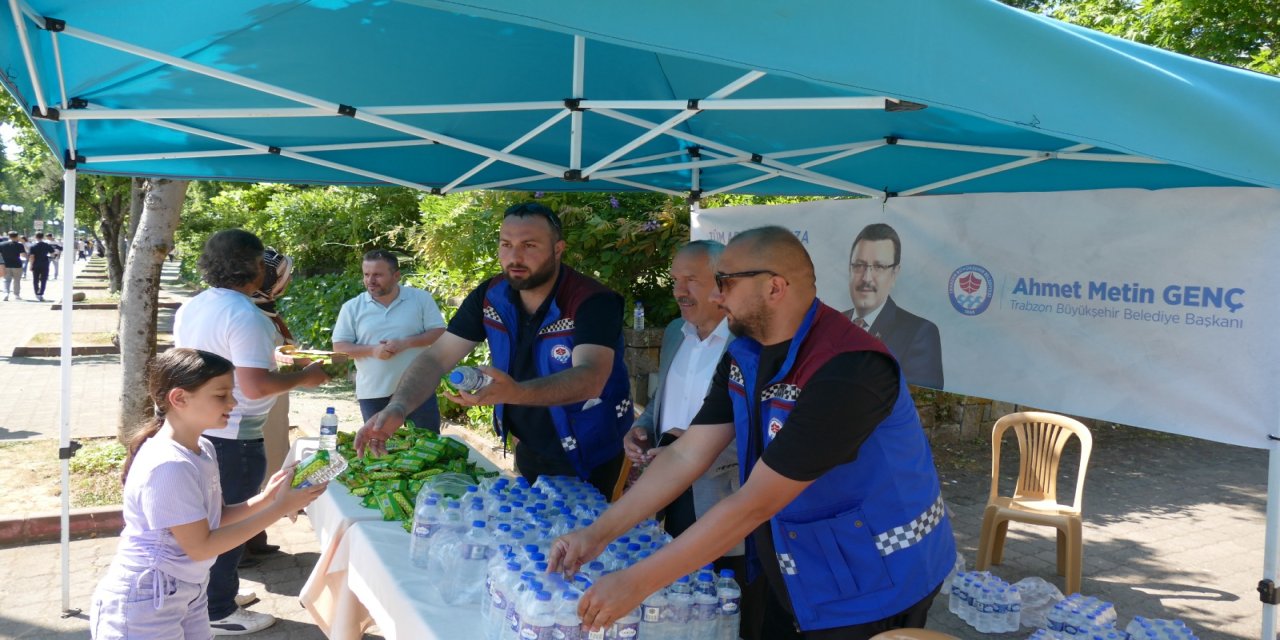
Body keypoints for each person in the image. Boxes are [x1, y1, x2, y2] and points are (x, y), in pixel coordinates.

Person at [550, 226, 956, 639]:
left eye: (724, 282)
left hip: (876, 577)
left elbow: (753, 503)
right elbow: (687, 453)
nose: (714, 295)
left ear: (775, 287)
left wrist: (636, 583)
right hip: (800, 559)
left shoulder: (849, 369)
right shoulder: (745, 352)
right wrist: (595, 534)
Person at [355, 202, 633, 498]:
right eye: (506, 244)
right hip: (528, 447)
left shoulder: (592, 301)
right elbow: (436, 358)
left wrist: (513, 393)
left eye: (529, 245)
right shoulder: (491, 295)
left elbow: (591, 378)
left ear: (558, 248)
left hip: (594, 452)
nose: (515, 256)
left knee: (589, 541)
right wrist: (398, 407)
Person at [88, 348, 325, 640]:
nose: (233, 402)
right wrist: (278, 509)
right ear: (179, 398)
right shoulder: (169, 465)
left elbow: (215, 517)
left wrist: (267, 498)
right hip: (146, 601)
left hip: (188, 588)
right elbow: (201, 546)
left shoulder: (203, 448)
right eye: (220, 394)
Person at [174, 229, 329, 635]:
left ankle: (213, 594)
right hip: (236, 435)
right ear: (256, 266)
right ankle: (219, 610)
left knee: (214, 518)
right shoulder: (245, 315)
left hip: (201, 429)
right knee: (227, 526)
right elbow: (257, 385)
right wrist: (304, 378)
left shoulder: (194, 305)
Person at [332, 250, 447, 433]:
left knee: (427, 447)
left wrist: (405, 343)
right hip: (373, 392)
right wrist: (373, 351)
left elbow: (439, 332)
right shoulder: (352, 307)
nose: (370, 280)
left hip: (418, 390)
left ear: (396, 276)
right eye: (366, 274)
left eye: (377, 274)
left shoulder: (420, 299)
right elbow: (339, 347)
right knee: (379, 450)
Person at [841, 222, 943, 389]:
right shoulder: (833, 322)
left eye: (879, 267)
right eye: (859, 265)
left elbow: (915, 401)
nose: (867, 278)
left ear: (895, 274)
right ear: (849, 269)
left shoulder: (920, 334)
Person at [246, 248, 296, 558]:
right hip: (254, 402)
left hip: (272, 402)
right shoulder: (248, 313)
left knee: (265, 465)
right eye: (284, 277)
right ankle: (240, 545)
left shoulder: (264, 308)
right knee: (249, 470)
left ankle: (255, 534)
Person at [27, 232, 54, 302]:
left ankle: (36, 293)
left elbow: (32, 257)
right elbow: (53, 253)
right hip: (45, 264)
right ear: (43, 237)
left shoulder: (33, 246)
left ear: (35, 237)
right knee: (44, 279)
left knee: (35, 279)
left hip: (36, 264)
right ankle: (41, 293)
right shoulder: (46, 245)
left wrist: (31, 265)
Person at [0, 231, 25, 301]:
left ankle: (6, 294)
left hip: (5, 264)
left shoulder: (1, 244)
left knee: (6, 280)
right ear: (17, 236)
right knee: (17, 280)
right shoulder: (20, 245)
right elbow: (23, 255)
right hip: (17, 264)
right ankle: (16, 295)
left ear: (8, 236)